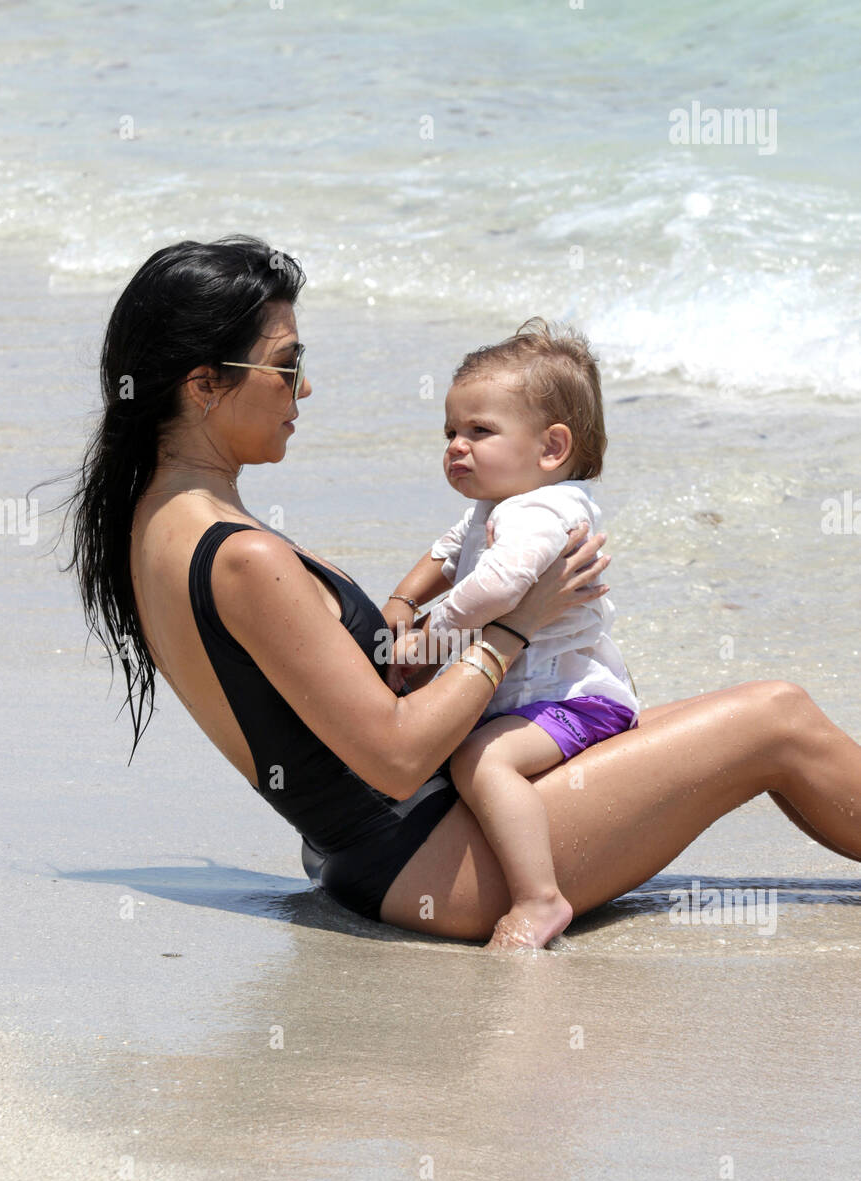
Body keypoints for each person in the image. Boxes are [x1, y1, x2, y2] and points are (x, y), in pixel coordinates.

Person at [66, 235, 861, 954]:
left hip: (390, 851)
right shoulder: (240, 556)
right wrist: (514, 629)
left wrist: (416, 625)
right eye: (287, 366)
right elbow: (398, 754)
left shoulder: (156, 528)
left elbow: (336, 697)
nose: (303, 391)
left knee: (746, 712)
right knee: (776, 720)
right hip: (438, 862)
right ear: (204, 386)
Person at [382, 319, 638, 950]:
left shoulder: (547, 510)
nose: (455, 447)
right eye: (450, 432)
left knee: (480, 759)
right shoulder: (495, 507)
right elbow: (448, 554)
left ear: (552, 448)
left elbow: (498, 587)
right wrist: (402, 598)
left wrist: (430, 635)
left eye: (479, 431)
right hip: (528, 698)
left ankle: (539, 900)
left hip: (577, 700)